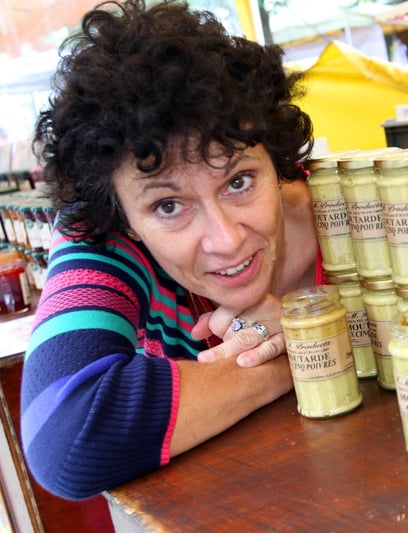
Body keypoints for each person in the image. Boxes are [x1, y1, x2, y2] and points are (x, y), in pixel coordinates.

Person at [21, 0, 321, 500]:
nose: (226, 239)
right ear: (122, 217)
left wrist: (308, 331)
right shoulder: (106, 240)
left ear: (276, 158)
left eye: (240, 180)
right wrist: (299, 354)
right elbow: (63, 436)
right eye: (167, 206)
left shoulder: (360, 214)